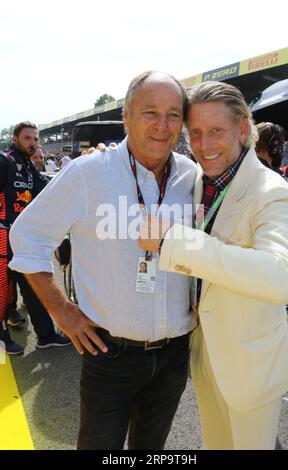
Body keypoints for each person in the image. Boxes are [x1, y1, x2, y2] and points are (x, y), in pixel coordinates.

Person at [9, 71, 198, 450]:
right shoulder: (89, 172)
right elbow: (26, 237)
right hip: (109, 352)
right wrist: (62, 311)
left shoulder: (192, 177)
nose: (162, 126)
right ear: (126, 116)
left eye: (173, 114)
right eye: (150, 112)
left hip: (176, 353)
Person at [138, 81, 288, 450]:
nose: (204, 145)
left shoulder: (272, 191)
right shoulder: (200, 179)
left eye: (215, 131)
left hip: (251, 366)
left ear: (243, 129)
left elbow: (282, 277)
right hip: (206, 354)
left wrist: (173, 242)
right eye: (195, 133)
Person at [0, 122, 72, 354]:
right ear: (15, 139)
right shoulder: (5, 160)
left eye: (35, 139)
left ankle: (46, 336)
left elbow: (50, 189)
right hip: (2, 236)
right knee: (2, 290)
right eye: (27, 138)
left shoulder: (28, 167)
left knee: (33, 287)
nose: (32, 143)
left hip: (22, 239)